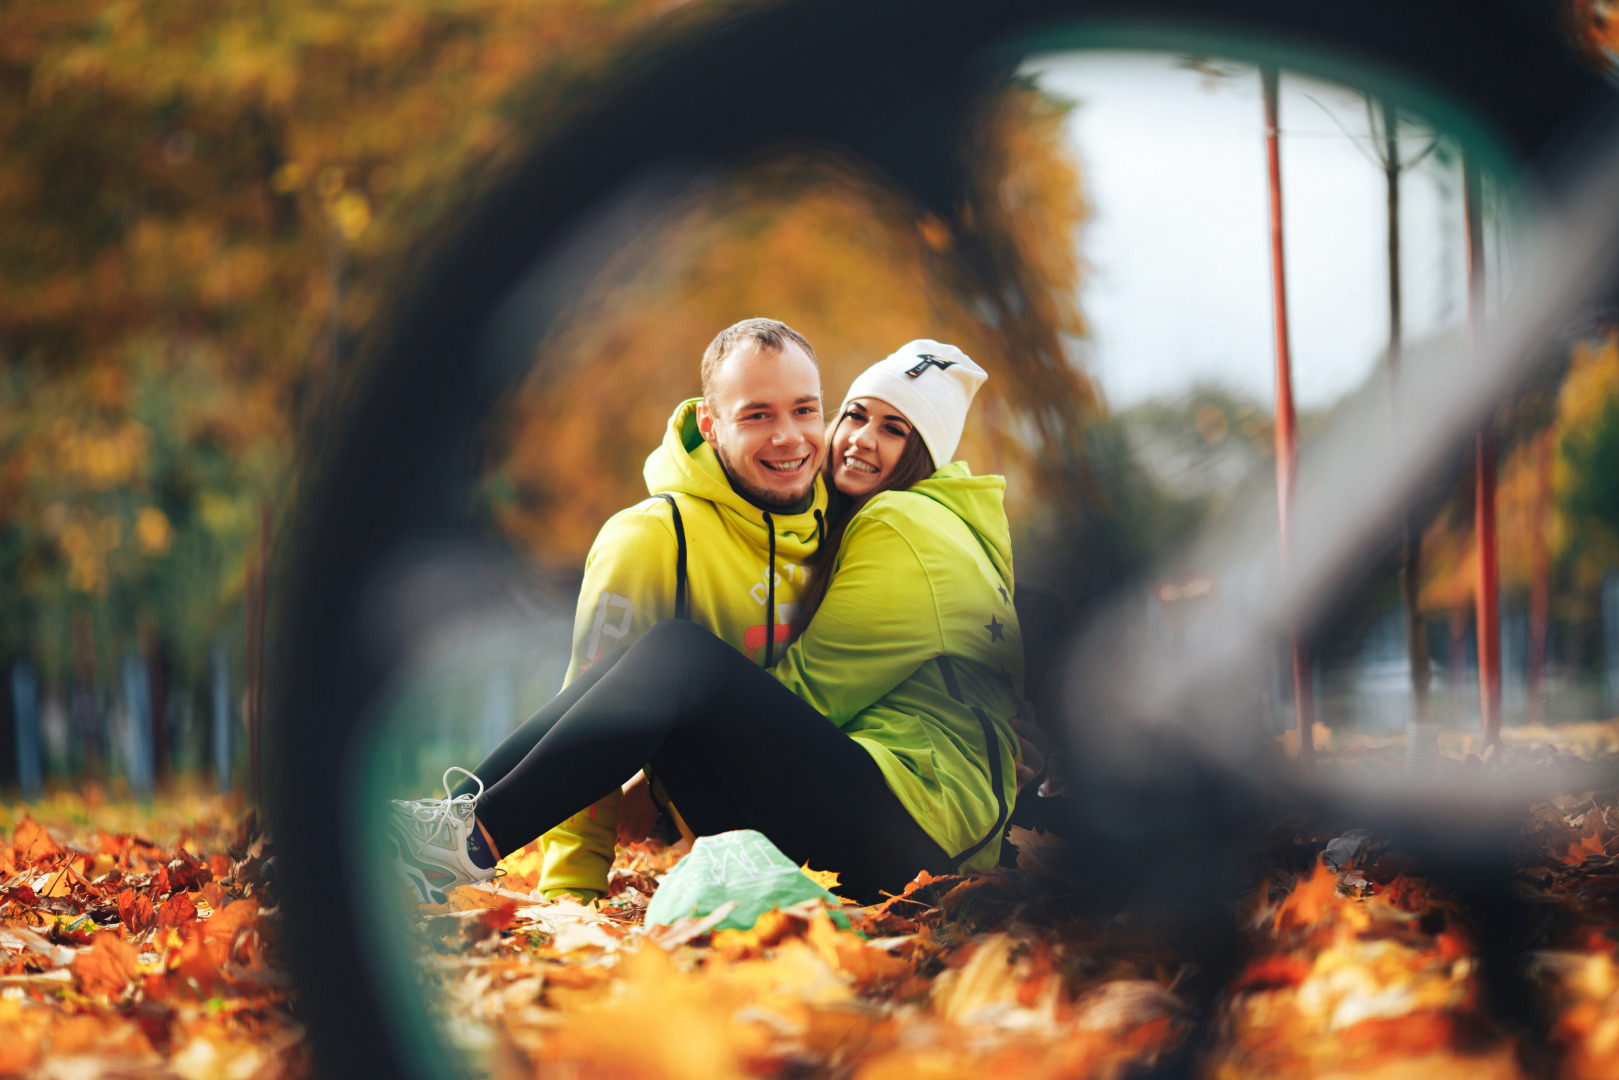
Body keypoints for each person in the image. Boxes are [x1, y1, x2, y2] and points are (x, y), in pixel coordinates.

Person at [389, 340, 1027, 904]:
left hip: (919, 840)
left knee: (677, 662)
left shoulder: (903, 525)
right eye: (855, 415)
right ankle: (449, 824)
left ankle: (464, 838)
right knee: (647, 670)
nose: (861, 438)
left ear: (926, 453)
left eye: (895, 430)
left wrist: (657, 761)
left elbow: (812, 699)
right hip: (902, 822)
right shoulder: (914, 520)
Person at [515, 317, 832, 899]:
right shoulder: (650, 539)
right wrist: (570, 893)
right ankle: (446, 839)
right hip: (733, 840)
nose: (790, 436)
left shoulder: (853, 525)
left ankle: (448, 831)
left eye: (805, 410)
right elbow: (587, 721)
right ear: (710, 427)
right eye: (757, 415)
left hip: (849, 825)